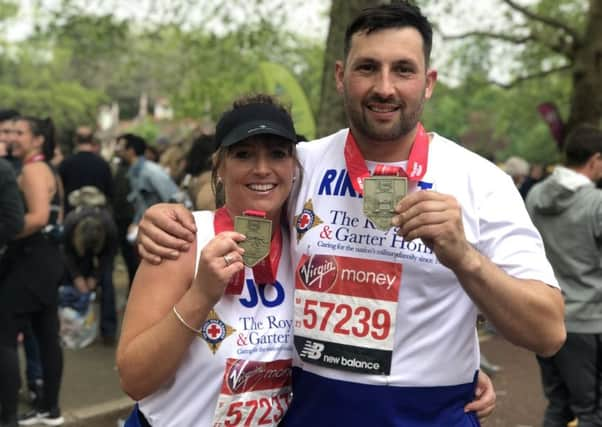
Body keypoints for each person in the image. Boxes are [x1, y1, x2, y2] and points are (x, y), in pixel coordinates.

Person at [136, 3, 561, 425]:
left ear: (428, 82)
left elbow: (548, 333)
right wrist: (167, 215)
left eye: (404, 70)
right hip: (311, 412)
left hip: (429, 415)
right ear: (341, 76)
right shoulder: (302, 163)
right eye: (367, 68)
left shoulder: (481, 182)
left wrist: (465, 259)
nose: (385, 87)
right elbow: (240, 192)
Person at [116, 94, 300, 426]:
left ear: (295, 167)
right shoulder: (182, 238)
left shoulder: (305, 246)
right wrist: (201, 295)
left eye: (277, 154)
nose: (262, 168)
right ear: (219, 167)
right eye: (244, 154)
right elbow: (133, 380)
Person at [525, 124, 602, 426]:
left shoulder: (535, 196)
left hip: (544, 316)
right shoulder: (596, 204)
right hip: (588, 320)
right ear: (594, 160)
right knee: (593, 411)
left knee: (559, 404)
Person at [0, 116, 64, 426]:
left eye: (19, 133)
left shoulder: (32, 169)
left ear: (37, 139)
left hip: (32, 260)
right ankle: (49, 409)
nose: (12, 137)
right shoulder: (48, 167)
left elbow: (38, 218)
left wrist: (7, 232)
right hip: (48, 259)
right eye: (8, 131)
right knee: (47, 334)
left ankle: (8, 414)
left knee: (6, 336)